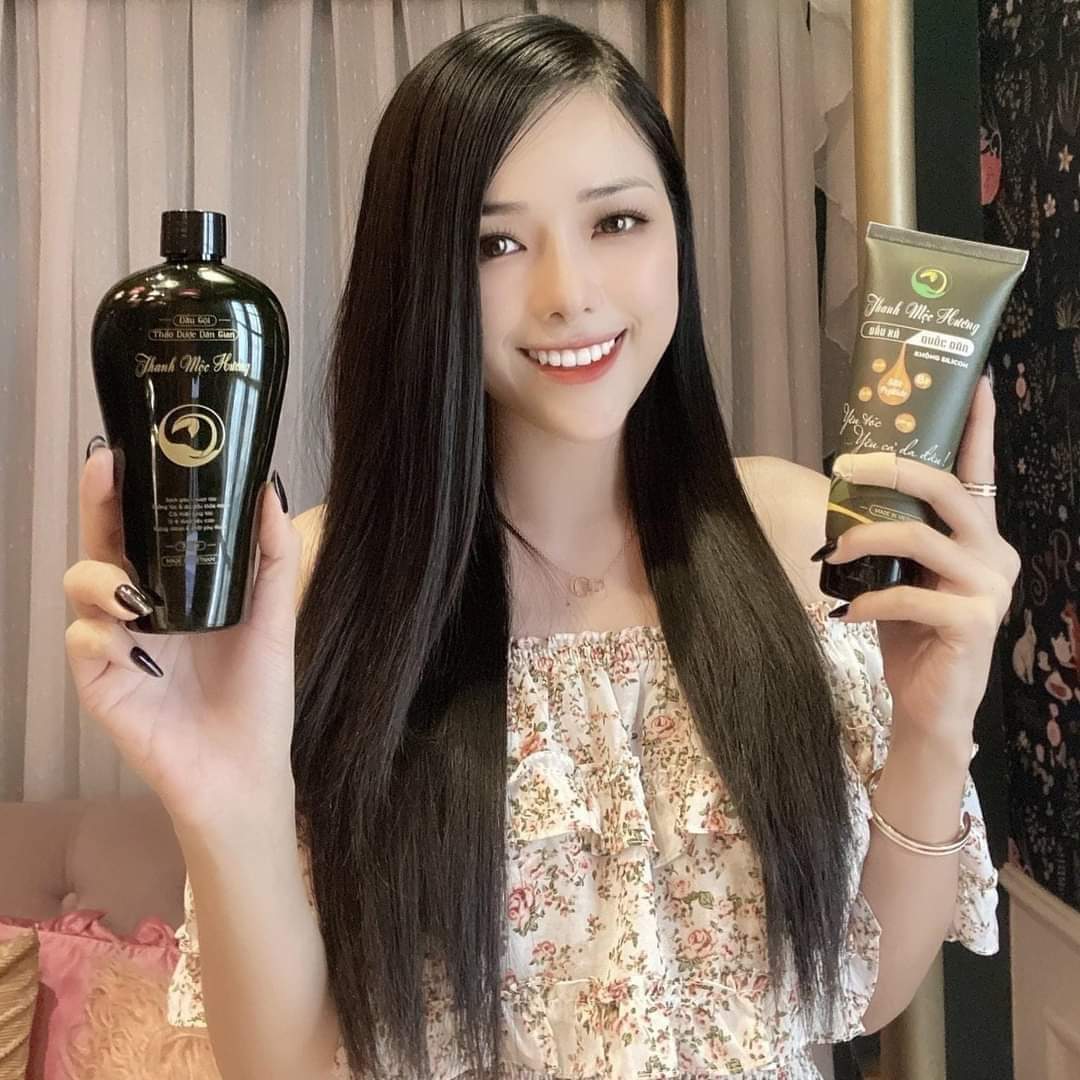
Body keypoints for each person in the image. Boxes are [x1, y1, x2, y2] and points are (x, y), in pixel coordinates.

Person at [65, 13, 1017, 1080]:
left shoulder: (800, 541)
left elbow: (856, 990)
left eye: (617, 221)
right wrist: (224, 801)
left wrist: (934, 727)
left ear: (676, 232)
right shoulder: (309, 591)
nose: (570, 292)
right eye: (496, 243)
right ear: (419, 276)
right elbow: (286, 1064)